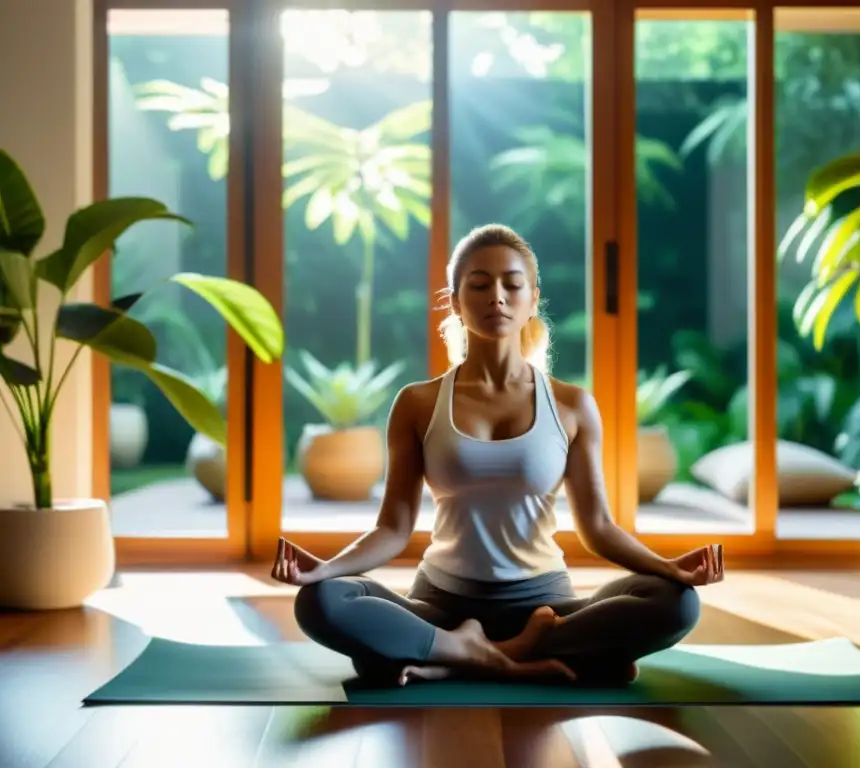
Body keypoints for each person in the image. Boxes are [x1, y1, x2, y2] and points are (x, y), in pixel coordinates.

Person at [271, 224, 723, 687]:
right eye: (480, 285)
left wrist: (669, 568)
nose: (497, 297)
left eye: (512, 284)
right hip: (442, 606)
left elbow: (599, 528)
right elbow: (392, 528)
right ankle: (493, 652)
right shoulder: (418, 403)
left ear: (532, 299)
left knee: (676, 602)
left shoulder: (571, 405)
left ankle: (457, 657)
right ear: (455, 300)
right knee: (320, 601)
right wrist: (325, 569)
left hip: (546, 608)